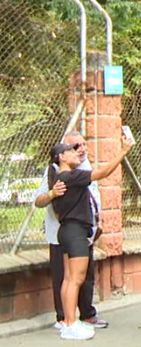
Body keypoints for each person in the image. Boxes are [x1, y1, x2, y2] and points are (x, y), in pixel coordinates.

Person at [45, 133, 132, 340]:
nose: (77, 153)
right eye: (71, 151)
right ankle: (72, 323)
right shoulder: (71, 176)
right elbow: (103, 172)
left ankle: (68, 322)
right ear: (61, 157)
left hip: (66, 230)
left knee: (68, 279)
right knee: (76, 278)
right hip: (75, 232)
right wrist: (123, 151)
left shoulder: (60, 178)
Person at [32, 132, 107, 332]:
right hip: (64, 231)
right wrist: (51, 193)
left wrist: (98, 218)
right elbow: (39, 200)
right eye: (75, 146)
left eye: (83, 144)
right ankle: (65, 318)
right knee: (66, 276)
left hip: (85, 229)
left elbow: (93, 195)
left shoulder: (84, 166)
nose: (81, 149)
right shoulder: (54, 171)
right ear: (63, 152)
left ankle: (86, 314)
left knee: (85, 274)